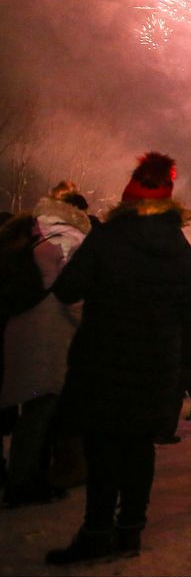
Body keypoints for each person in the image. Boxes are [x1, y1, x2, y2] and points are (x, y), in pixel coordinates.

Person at [46, 154, 191, 564]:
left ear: (129, 195)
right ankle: (130, 530)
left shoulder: (109, 237)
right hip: (156, 361)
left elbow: (67, 289)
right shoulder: (179, 246)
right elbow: (190, 310)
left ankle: (96, 532)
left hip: (105, 355)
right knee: (138, 447)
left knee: (102, 448)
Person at [1, 182, 90, 508]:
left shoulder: (36, 237)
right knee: (40, 410)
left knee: (34, 408)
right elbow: (71, 293)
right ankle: (22, 482)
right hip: (49, 334)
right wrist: (91, 322)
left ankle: (27, 477)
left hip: (24, 329)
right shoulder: (64, 241)